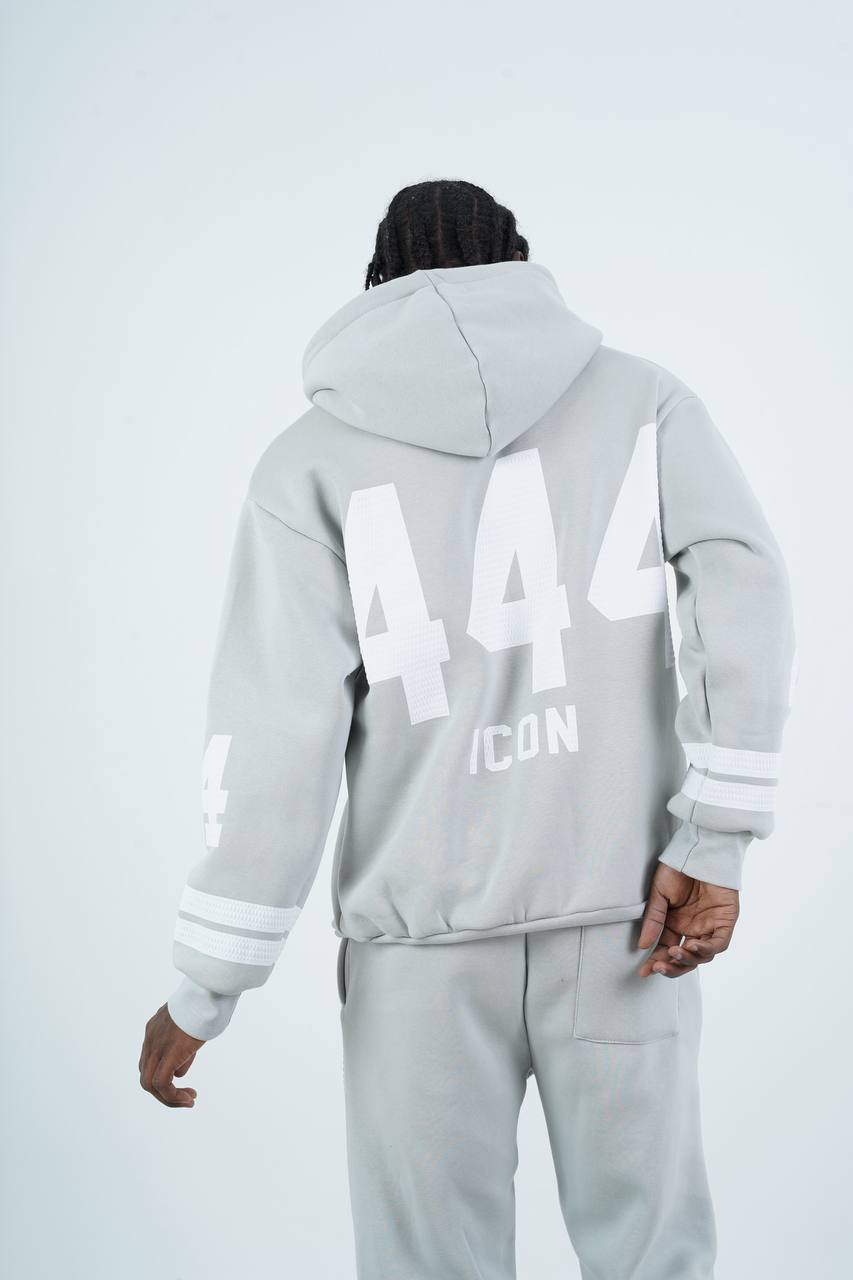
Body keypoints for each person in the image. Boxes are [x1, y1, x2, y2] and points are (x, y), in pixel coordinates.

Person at [139, 179, 795, 1279]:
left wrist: (206, 985)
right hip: (630, 922)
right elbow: (747, 591)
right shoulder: (646, 404)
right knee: (655, 1258)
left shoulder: (308, 464)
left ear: (377, 282)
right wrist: (713, 840)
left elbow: (274, 739)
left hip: (419, 955)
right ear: (516, 262)